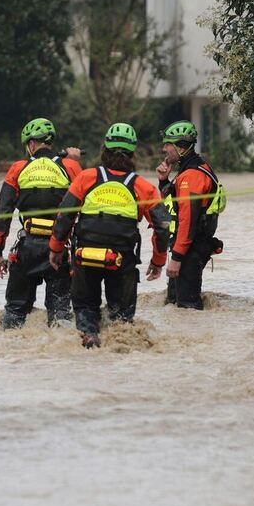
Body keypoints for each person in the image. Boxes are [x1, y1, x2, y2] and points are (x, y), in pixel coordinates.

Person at [48, 123, 171, 348]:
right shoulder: (143, 187)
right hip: (122, 261)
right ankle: (119, 347)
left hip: (85, 256)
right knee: (121, 319)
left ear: (104, 149)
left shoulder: (86, 177)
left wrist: (56, 249)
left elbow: (64, 217)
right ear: (133, 154)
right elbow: (163, 226)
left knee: (85, 310)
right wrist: (158, 261)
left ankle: (89, 335)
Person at [0, 118, 83, 329]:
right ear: (50, 143)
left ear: (31, 144)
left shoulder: (17, 169)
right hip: (59, 249)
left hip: (26, 250)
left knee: (15, 311)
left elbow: (4, 214)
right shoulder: (71, 167)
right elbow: (86, 203)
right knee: (60, 314)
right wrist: (76, 162)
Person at [151, 120, 224, 310]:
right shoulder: (189, 170)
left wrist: (176, 258)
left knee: (187, 308)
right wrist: (163, 181)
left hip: (190, 248)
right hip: (187, 247)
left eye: (168, 144)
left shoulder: (192, 176)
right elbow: (173, 204)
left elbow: (188, 221)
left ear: (181, 147)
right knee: (174, 304)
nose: (164, 148)